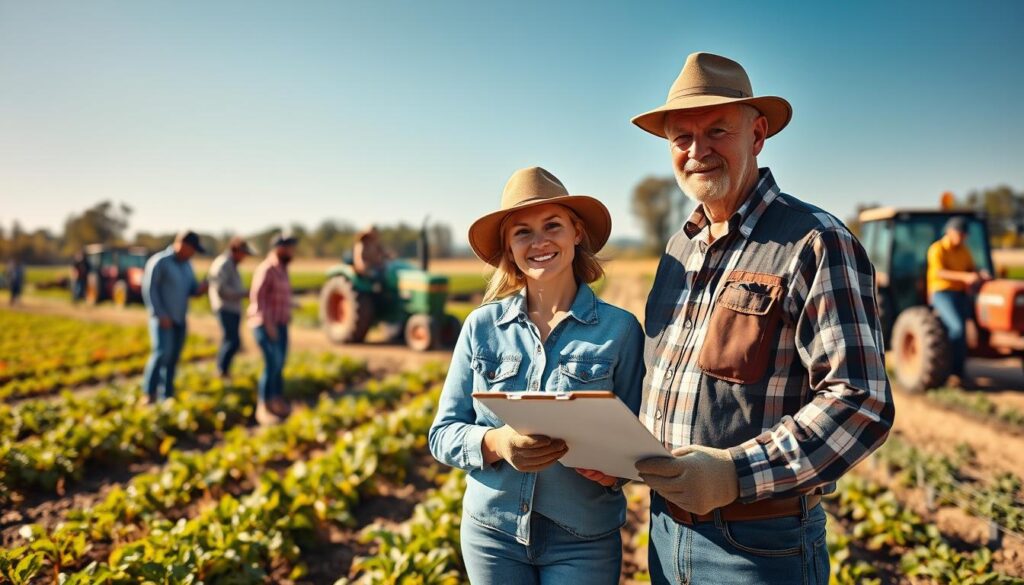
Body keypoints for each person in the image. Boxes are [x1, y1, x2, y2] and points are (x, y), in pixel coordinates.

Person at [618, 52, 895, 584]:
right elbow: (664, 382)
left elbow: (861, 401)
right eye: (682, 138)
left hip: (757, 547)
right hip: (662, 531)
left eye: (717, 130)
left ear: (758, 133)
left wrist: (732, 475)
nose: (697, 151)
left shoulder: (815, 240)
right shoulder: (681, 249)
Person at [429, 167, 645, 584]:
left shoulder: (620, 330)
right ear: (509, 249)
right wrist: (497, 442)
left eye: (553, 226)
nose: (539, 242)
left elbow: (643, 437)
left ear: (576, 233)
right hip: (492, 534)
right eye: (522, 232)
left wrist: (615, 469)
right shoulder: (481, 327)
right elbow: (442, 433)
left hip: (583, 538)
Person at [141, 230, 208, 403]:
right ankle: (149, 393)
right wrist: (160, 314)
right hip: (162, 319)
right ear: (182, 245)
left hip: (179, 318)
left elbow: (192, 289)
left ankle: (167, 394)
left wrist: (201, 289)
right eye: (192, 249)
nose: (193, 254)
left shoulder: (187, 265)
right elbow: (150, 290)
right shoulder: (159, 262)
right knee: (161, 354)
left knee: (173, 358)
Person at [927, 216, 989, 383]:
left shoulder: (964, 250)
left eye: (965, 236)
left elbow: (971, 269)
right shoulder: (937, 249)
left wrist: (979, 274)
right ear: (951, 232)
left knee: (970, 329)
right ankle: (952, 373)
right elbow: (939, 272)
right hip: (942, 294)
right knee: (957, 328)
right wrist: (965, 277)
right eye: (961, 235)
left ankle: (960, 372)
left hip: (961, 294)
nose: (963, 238)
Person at [248, 231, 297, 425]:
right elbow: (258, 299)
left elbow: (278, 296)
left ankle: (276, 401)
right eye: (290, 248)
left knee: (279, 364)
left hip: (281, 324)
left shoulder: (283, 269)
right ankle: (263, 406)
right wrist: (268, 325)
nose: (293, 252)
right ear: (279, 248)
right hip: (266, 324)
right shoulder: (266, 269)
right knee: (271, 364)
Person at [208, 236, 255, 379]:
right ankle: (221, 370)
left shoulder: (232, 264)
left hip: (232, 308)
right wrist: (242, 294)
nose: (244, 258)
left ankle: (224, 370)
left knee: (231, 340)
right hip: (225, 307)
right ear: (236, 251)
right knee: (232, 341)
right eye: (243, 254)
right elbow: (221, 290)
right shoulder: (223, 264)